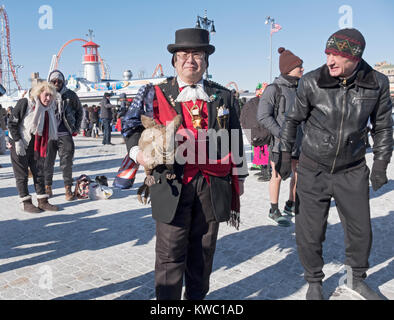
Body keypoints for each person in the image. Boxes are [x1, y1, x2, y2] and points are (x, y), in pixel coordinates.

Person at [128, 27, 247, 300]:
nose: (190, 60)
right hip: (171, 184)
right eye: (183, 54)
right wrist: (139, 154)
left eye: (197, 54)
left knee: (203, 253)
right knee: (170, 254)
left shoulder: (224, 96)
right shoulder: (154, 93)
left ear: (206, 60)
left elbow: (235, 138)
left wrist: (238, 182)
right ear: (174, 60)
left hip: (212, 184)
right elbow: (131, 127)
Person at [278, 28, 393, 300]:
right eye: (328, 53)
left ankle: (355, 279)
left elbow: (383, 126)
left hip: (352, 169)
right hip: (313, 167)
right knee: (310, 231)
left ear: (356, 57)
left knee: (360, 230)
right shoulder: (311, 81)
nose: (330, 60)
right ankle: (315, 281)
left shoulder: (376, 83)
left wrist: (380, 163)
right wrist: (284, 153)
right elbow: (292, 119)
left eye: (338, 55)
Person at [258, 47, 304, 227]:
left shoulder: (301, 88)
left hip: (300, 142)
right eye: (299, 66)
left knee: (298, 174)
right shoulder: (274, 89)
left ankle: (290, 204)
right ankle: (273, 209)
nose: (302, 69)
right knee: (277, 175)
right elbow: (263, 116)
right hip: (280, 144)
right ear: (288, 68)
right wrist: (281, 134)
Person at [8, 82, 59, 213]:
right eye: (46, 95)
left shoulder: (49, 108)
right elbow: (12, 123)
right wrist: (17, 141)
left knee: (39, 172)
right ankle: (25, 202)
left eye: (51, 96)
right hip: (21, 142)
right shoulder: (25, 103)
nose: (48, 98)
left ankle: (42, 201)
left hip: (37, 144)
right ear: (38, 93)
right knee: (22, 174)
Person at [44, 69, 83, 201]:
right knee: (47, 162)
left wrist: (76, 128)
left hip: (65, 132)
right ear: (49, 81)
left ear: (63, 81)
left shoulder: (70, 95)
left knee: (66, 162)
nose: (56, 83)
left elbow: (79, 111)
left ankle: (68, 188)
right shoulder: (45, 94)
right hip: (48, 133)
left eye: (59, 81)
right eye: (54, 81)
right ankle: (47, 186)